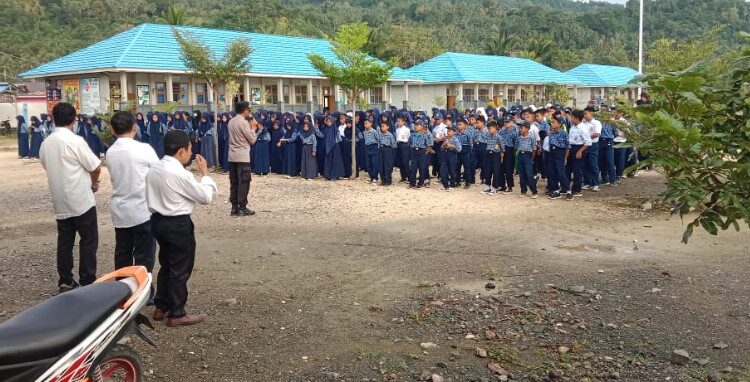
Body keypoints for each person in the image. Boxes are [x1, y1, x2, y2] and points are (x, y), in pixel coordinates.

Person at [146, 130, 217, 327]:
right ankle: (177, 312)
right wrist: (205, 174)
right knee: (180, 268)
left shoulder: (155, 168)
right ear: (181, 151)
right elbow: (205, 198)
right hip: (177, 223)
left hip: (158, 221)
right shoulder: (180, 173)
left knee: (166, 264)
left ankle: (162, 305)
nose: (191, 153)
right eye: (189, 149)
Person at [39, 102, 102, 292]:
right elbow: (95, 167)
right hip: (81, 198)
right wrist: (94, 183)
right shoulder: (75, 141)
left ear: (53, 118)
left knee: (65, 241)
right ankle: (87, 279)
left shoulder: (46, 143)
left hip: (60, 200)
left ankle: (65, 279)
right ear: (74, 119)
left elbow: (46, 165)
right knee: (88, 240)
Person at [105, 111, 160, 302]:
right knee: (144, 255)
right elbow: (157, 173)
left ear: (112, 129)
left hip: (120, 210)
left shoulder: (110, 152)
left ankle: (122, 291)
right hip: (142, 209)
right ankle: (144, 292)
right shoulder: (144, 149)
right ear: (135, 127)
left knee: (123, 253)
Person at [227, 101, 257, 216]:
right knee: (244, 182)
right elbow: (252, 140)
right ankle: (242, 207)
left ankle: (234, 207)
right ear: (245, 110)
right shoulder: (243, 123)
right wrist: (253, 128)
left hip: (232, 156)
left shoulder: (231, 121)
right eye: (249, 110)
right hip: (242, 156)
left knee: (234, 182)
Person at [568, 110, 592, 197]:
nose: (570, 119)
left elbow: (588, 142)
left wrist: (580, 151)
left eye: (572, 117)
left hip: (579, 148)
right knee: (568, 169)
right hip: (571, 148)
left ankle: (577, 190)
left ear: (576, 118)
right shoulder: (573, 127)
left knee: (577, 170)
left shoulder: (583, 128)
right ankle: (566, 188)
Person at [547, 114, 572, 200]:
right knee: (553, 172)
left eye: (554, 122)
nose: (552, 124)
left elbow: (568, 147)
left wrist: (565, 157)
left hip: (559, 153)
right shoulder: (550, 133)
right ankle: (556, 190)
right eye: (551, 122)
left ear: (559, 124)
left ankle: (568, 191)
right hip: (551, 153)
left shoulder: (563, 133)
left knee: (561, 173)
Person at [516, 122, 539, 198]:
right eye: (520, 128)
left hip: (528, 155)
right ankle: (523, 191)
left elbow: (534, 149)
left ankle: (534, 191)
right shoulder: (519, 137)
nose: (520, 129)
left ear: (527, 128)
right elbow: (517, 146)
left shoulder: (531, 137)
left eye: (522, 127)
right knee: (521, 174)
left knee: (529, 174)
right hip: (520, 155)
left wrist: (531, 158)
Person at [481, 121, 504, 195]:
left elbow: (502, 147)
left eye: (490, 129)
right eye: (488, 129)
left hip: (495, 154)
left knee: (495, 171)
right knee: (488, 170)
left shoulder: (498, 137)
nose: (489, 130)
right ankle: (488, 187)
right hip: (488, 153)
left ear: (495, 128)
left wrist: (501, 154)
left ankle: (494, 188)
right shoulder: (488, 135)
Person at [408, 120, 432, 189]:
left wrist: (426, 152)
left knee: (422, 168)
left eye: (417, 125)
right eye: (415, 125)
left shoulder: (425, 135)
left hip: (422, 152)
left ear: (422, 126)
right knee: (413, 168)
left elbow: (428, 145)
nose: (415, 126)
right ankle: (412, 183)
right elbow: (409, 143)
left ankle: (420, 182)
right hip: (414, 151)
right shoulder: (412, 135)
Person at [582, 107, 602, 191]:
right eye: (584, 114)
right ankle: (587, 182)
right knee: (585, 164)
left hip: (593, 145)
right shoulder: (584, 123)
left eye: (586, 113)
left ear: (591, 113)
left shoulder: (596, 123)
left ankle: (595, 183)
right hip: (584, 145)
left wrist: (587, 138)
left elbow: (597, 134)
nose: (585, 116)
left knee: (593, 164)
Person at [498, 117, 518, 193]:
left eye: (508, 122)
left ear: (511, 123)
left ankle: (510, 187)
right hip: (502, 150)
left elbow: (516, 144)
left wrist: (514, 153)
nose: (506, 123)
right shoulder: (501, 132)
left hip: (510, 150)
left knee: (509, 169)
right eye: (505, 122)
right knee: (501, 168)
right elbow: (498, 141)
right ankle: (502, 185)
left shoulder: (514, 133)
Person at [439, 126, 462, 191]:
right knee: (443, 171)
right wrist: (444, 144)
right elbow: (441, 148)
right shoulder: (446, 139)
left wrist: (451, 146)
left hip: (452, 155)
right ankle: (445, 185)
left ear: (454, 132)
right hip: (445, 155)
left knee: (452, 171)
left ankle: (452, 185)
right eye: (447, 131)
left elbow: (459, 149)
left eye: (450, 131)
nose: (448, 132)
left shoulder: (455, 140)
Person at [322, 116, 345, 180]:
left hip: (335, 147)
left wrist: (334, 141)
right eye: (328, 121)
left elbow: (339, 139)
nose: (328, 123)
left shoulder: (336, 130)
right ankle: (328, 175)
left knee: (335, 161)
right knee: (329, 161)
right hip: (328, 147)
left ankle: (335, 175)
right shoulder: (327, 129)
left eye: (330, 121)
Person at [455, 117, 473, 188]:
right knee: (457, 167)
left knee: (467, 168)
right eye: (458, 124)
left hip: (466, 151)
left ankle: (468, 182)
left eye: (460, 124)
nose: (458, 126)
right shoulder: (456, 133)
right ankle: (457, 181)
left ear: (465, 125)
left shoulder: (468, 134)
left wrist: (469, 151)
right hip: (458, 151)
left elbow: (471, 144)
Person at [362, 118, 381, 184]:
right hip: (367, 147)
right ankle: (371, 177)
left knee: (374, 163)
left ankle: (375, 178)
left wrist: (378, 148)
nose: (365, 125)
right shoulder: (364, 132)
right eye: (364, 123)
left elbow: (378, 139)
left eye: (366, 123)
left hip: (374, 147)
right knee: (368, 164)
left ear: (371, 124)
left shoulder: (374, 131)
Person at [378, 120, 397, 186]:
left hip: (388, 150)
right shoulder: (380, 134)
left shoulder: (390, 135)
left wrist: (391, 154)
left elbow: (394, 145)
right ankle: (383, 180)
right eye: (381, 126)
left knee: (387, 166)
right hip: (381, 149)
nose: (382, 128)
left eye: (383, 126)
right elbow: (379, 142)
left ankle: (388, 181)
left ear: (387, 127)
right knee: (381, 165)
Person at [395, 115, 411, 183]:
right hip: (398, 145)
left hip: (405, 145)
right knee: (400, 162)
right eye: (397, 121)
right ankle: (403, 177)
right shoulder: (397, 130)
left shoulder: (407, 129)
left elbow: (408, 137)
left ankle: (409, 177)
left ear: (404, 122)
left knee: (405, 162)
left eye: (399, 121)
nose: (398, 123)